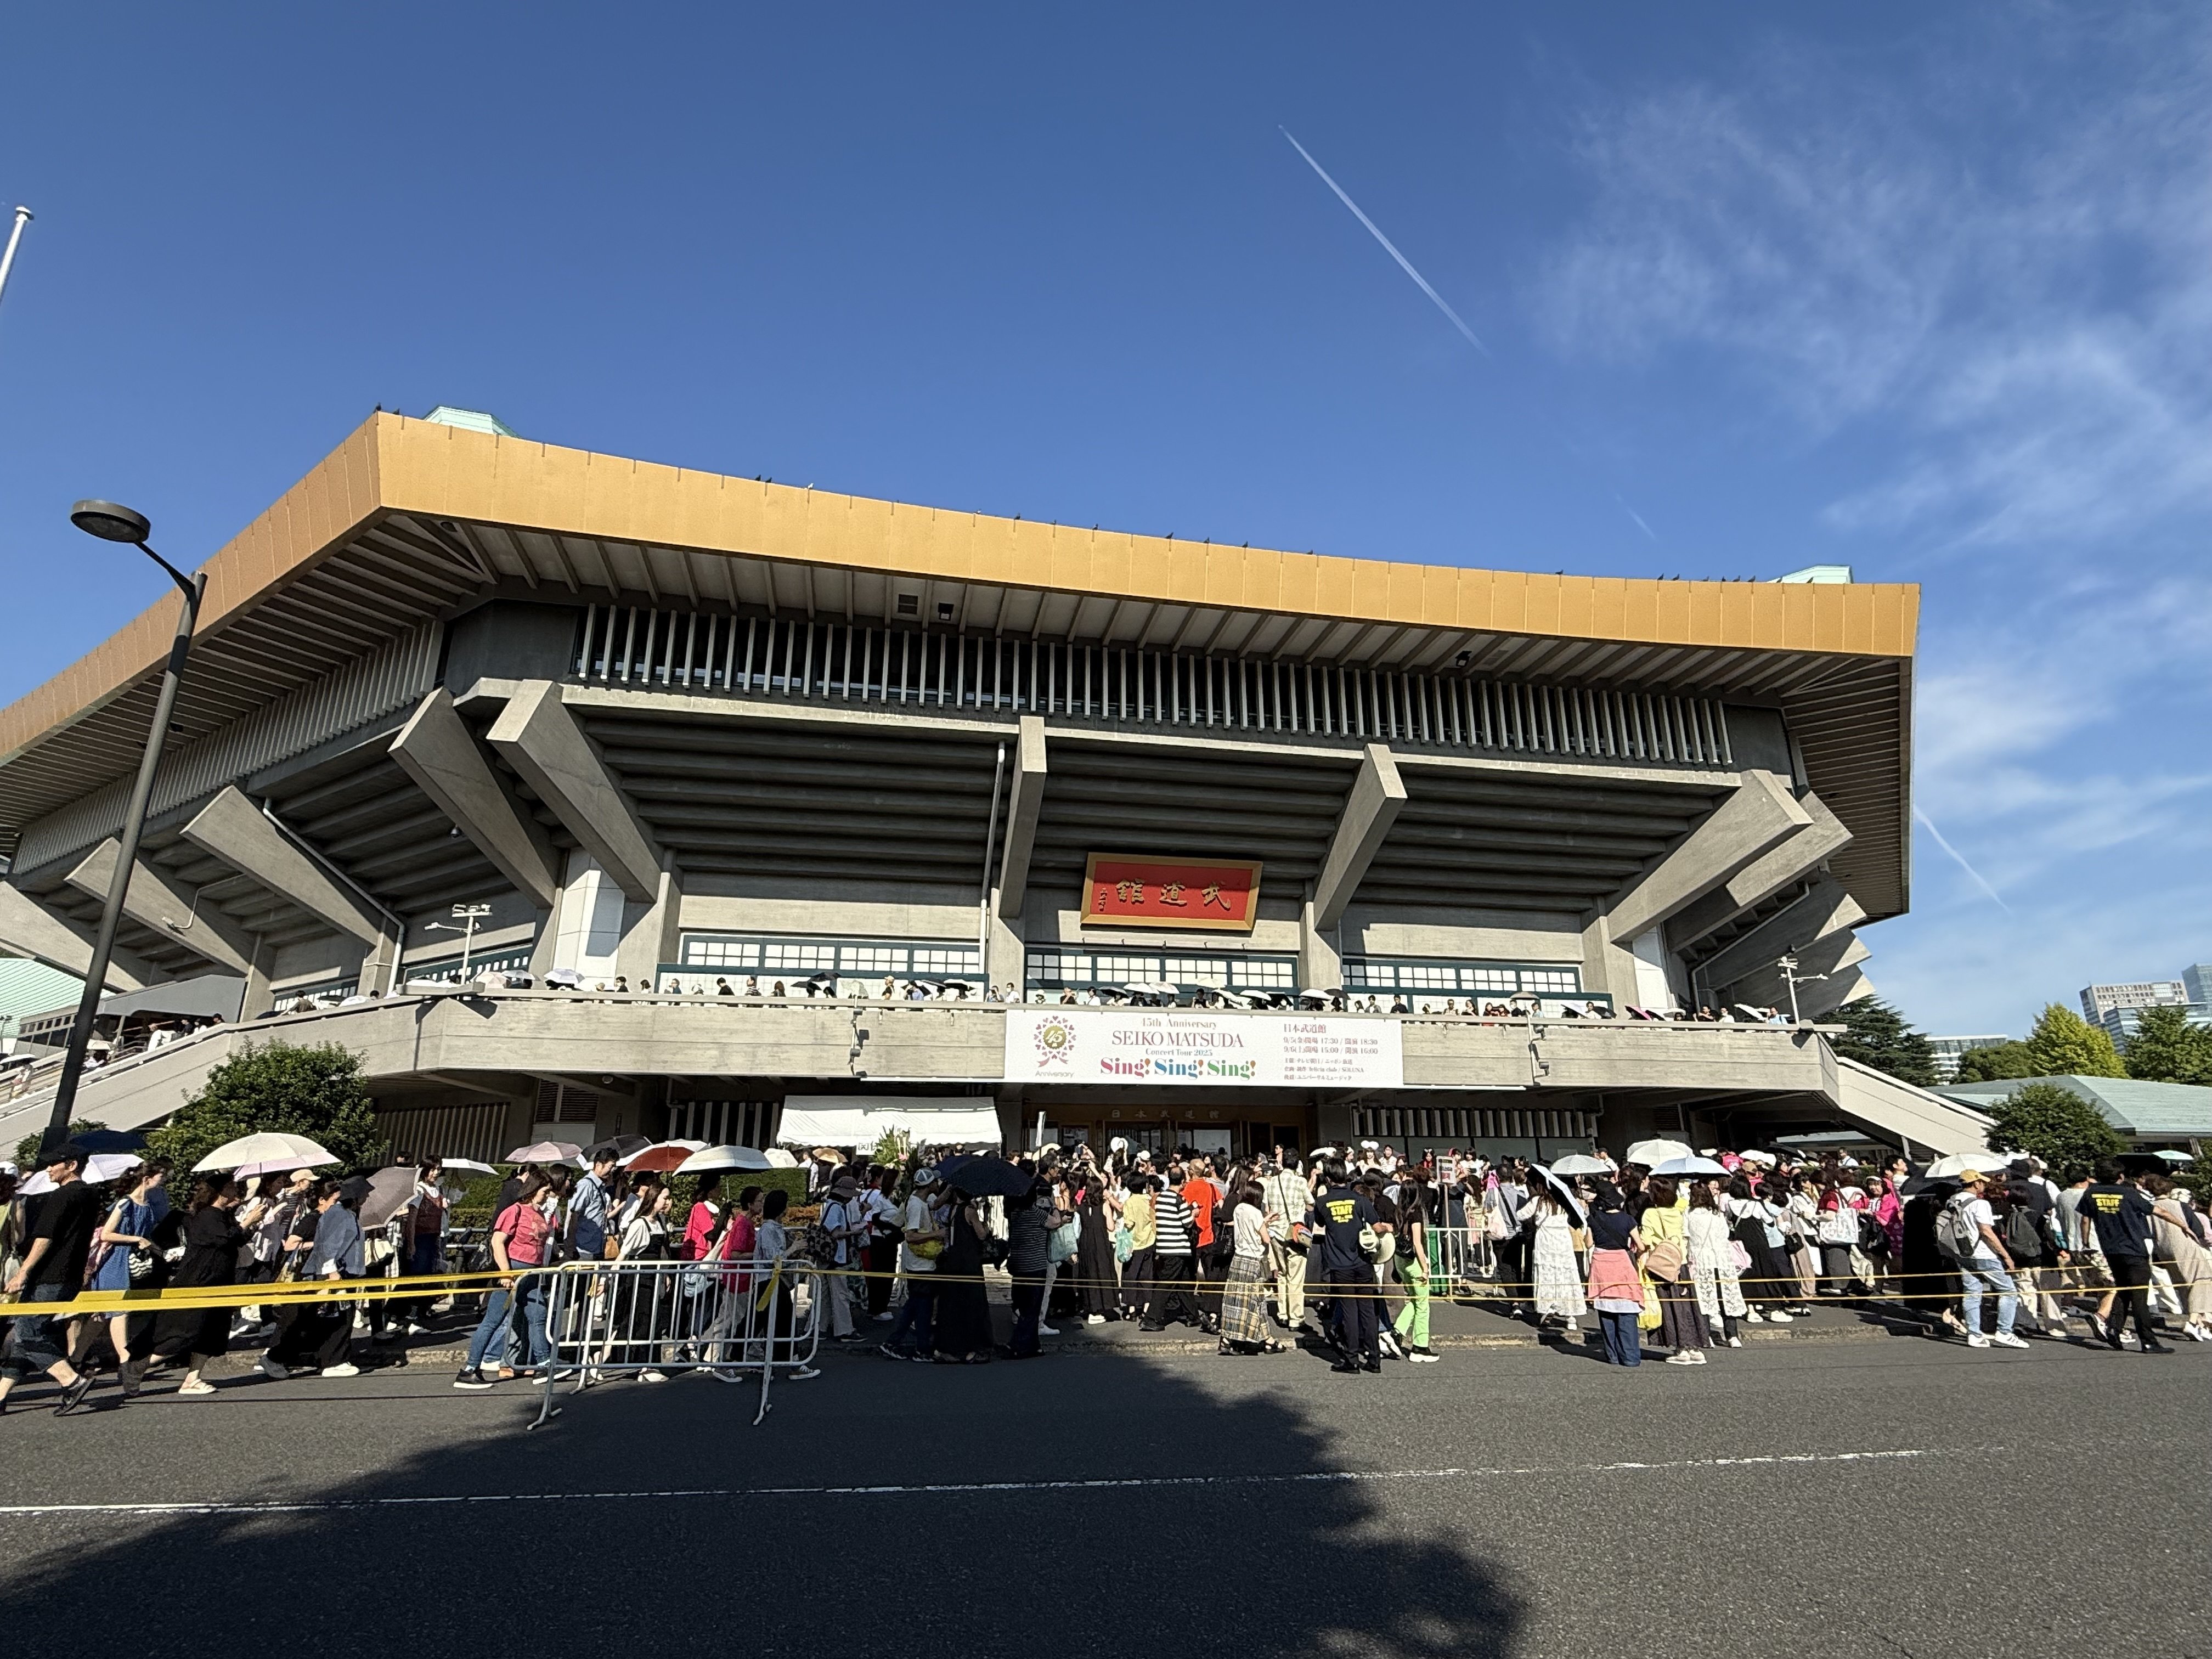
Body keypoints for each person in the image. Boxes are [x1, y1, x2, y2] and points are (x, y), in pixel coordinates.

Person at [0, 1143, 103, 1415]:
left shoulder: (61, 1197)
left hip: (49, 1276)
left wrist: (23, 1273)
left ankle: (73, 1380)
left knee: (27, 1332)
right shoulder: (90, 1195)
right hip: (70, 1275)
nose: (48, 1169)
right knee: (27, 1336)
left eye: (54, 1164)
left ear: (72, 1166)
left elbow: (45, 1237)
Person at [147, 1176, 249, 1396]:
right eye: (230, 1187)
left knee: (212, 1333)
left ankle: (193, 1379)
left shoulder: (224, 1216)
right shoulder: (207, 1216)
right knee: (187, 1331)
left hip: (220, 1281)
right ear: (219, 1192)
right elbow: (223, 1240)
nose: (235, 1191)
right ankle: (137, 1364)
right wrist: (247, 1222)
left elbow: (238, 1239)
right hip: (200, 1280)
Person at [454, 1172, 556, 1387]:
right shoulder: (515, 1211)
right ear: (533, 1189)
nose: (547, 1196)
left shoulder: (540, 1214)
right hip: (514, 1271)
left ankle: (545, 1364)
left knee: (538, 1317)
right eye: (545, 1191)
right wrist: (505, 1273)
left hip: (532, 1274)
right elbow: (497, 1241)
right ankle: (470, 1369)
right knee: (493, 1321)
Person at [266, 1178, 366, 1379]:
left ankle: (331, 1359)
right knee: (307, 1317)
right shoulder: (320, 1219)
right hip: (317, 1276)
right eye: (335, 1199)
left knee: (332, 1318)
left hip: (329, 1274)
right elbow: (308, 1246)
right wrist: (331, 1271)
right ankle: (276, 1357)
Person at [82, 1161, 168, 1391]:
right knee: (120, 1312)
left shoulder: (148, 1205)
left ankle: (76, 1358)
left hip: (131, 1262)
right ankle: (125, 1362)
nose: (164, 1182)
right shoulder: (126, 1203)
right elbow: (108, 1234)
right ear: (146, 1179)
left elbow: (146, 1234)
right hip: (115, 1263)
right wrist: (136, 1240)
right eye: (161, 1177)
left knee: (99, 1317)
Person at [2076, 1163, 2170, 1354]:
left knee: (2123, 1290)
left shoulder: (2091, 1193)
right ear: (2120, 1176)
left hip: (2110, 1249)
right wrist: (2184, 1226)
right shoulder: (2128, 1193)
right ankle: (2148, 1341)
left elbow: (2085, 1219)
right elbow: (2157, 1211)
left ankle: (2114, 1328)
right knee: (2139, 1296)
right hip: (2134, 1249)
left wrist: (2086, 1242)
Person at [1940, 1170, 2029, 1351]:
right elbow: (1986, 1231)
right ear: (1976, 1184)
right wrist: (2005, 1255)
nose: (1984, 1185)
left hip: (1962, 1253)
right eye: (1982, 1182)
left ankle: (1974, 1334)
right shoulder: (1979, 1204)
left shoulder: (1953, 1201)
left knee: (1972, 1292)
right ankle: (2005, 1332)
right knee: (2008, 1291)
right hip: (1983, 1254)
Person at [1313, 1162, 1380, 1374]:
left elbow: (1320, 1224)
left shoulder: (1322, 1202)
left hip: (1339, 1263)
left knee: (1349, 1310)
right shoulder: (1360, 1200)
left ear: (1328, 1179)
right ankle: (1374, 1359)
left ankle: (1351, 1359)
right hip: (1362, 1261)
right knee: (1368, 1311)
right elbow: (1377, 1226)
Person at [1639, 1176, 1709, 1365]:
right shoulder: (1679, 1212)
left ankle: (1681, 1348)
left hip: (1662, 1266)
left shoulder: (1650, 1215)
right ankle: (1695, 1347)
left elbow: (1645, 1241)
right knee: (1688, 1306)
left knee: (1670, 1307)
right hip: (1682, 1263)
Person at [883, 1168, 946, 1361]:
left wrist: (950, 1190)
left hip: (921, 1264)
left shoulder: (918, 1199)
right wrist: (937, 1234)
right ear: (929, 1186)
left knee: (913, 1306)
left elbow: (935, 1204)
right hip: (921, 1265)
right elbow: (910, 1236)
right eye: (936, 1182)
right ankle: (921, 1349)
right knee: (923, 1309)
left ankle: (893, 1343)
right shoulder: (917, 1206)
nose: (938, 1184)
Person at [1217, 1179, 1283, 1356]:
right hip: (1253, 1261)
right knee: (1254, 1302)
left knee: (1236, 1301)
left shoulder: (1239, 1209)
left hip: (1238, 1259)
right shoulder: (1255, 1212)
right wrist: (1266, 1224)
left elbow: (1249, 1225)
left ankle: (1231, 1338)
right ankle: (1262, 1340)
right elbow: (1265, 1238)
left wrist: (1265, 1220)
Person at [1584, 1182, 1644, 1366]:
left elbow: (1588, 1244)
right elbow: (1640, 1246)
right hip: (1621, 1264)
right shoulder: (1627, 1220)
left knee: (1606, 1314)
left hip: (1601, 1265)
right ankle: (1631, 1357)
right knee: (1626, 1312)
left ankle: (1613, 1356)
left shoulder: (1593, 1219)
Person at [930, 1187, 991, 1364]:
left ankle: (949, 1347)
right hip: (969, 1263)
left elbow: (935, 1205)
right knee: (974, 1305)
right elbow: (981, 1235)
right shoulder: (970, 1210)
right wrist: (985, 1224)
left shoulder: (952, 1210)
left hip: (954, 1261)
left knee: (952, 1305)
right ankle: (974, 1347)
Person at [1520, 1180, 1587, 1332]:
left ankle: (1548, 1307)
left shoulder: (1539, 1201)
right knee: (1566, 1276)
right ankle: (1571, 1316)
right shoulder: (1566, 1202)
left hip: (1545, 1241)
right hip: (1563, 1241)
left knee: (1547, 1275)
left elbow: (1521, 1215)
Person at [1686, 1183, 1747, 1346]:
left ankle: (1706, 1337)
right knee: (1726, 1297)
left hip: (1701, 1261)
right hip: (1722, 1259)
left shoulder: (1689, 1214)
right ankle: (1732, 1336)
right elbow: (1726, 1234)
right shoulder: (1717, 1214)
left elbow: (1686, 1235)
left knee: (1704, 1299)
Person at [1142, 1175, 1203, 1331]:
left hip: (1164, 1246)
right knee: (1167, 1283)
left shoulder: (1160, 1198)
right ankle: (1150, 1318)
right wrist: (1194, 1213)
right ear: (1182, 1182)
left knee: (1183, 1282)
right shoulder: (1179, 1200)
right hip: (1177, 1247)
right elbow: (1187, 1222)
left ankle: (1193, 1316)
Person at [1005, 1177, 1058, 1357]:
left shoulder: (1015, 1214)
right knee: (1031, 1309)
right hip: (1035, 1265)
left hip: (1019, 1264)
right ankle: (1017, 1345)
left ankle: (1034, 1345)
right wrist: (1056, 1206)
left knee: (1025, 1306)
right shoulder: (1036, 1213)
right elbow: (1055, 1222)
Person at [1391, 1172, 1438, 1362]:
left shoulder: (1399, 1211)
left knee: (1414, 1300)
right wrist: (1426, 1267)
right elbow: (1418, 1243)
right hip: (1413, 1262)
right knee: (1423, 1305)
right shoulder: (1416, 1212)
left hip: (1400, 1260)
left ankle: (1398, 1331)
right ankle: (1420, 1347)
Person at [1262, 1156, 1311, 1331]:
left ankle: (1282, 1314)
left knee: (1282, 1274)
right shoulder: (1300, 1182)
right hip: (1295, 1234)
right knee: (1296, 1277)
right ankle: (1296, 1318)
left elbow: (1267, 1207)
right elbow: (1311, 1204)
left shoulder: (1272, 1182)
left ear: (1282, 1165)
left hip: (1276, 1232)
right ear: (1297, 1164)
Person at [817, 1175, 867, 1343]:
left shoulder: (829, 1205)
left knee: (825, 1295)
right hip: (836, 1258)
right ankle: (844, 1330)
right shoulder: (837, 1208)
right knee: (841, 1295)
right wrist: (854, 1232)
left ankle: (821, 1328)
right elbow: (836, 1233)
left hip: (826, 1258)